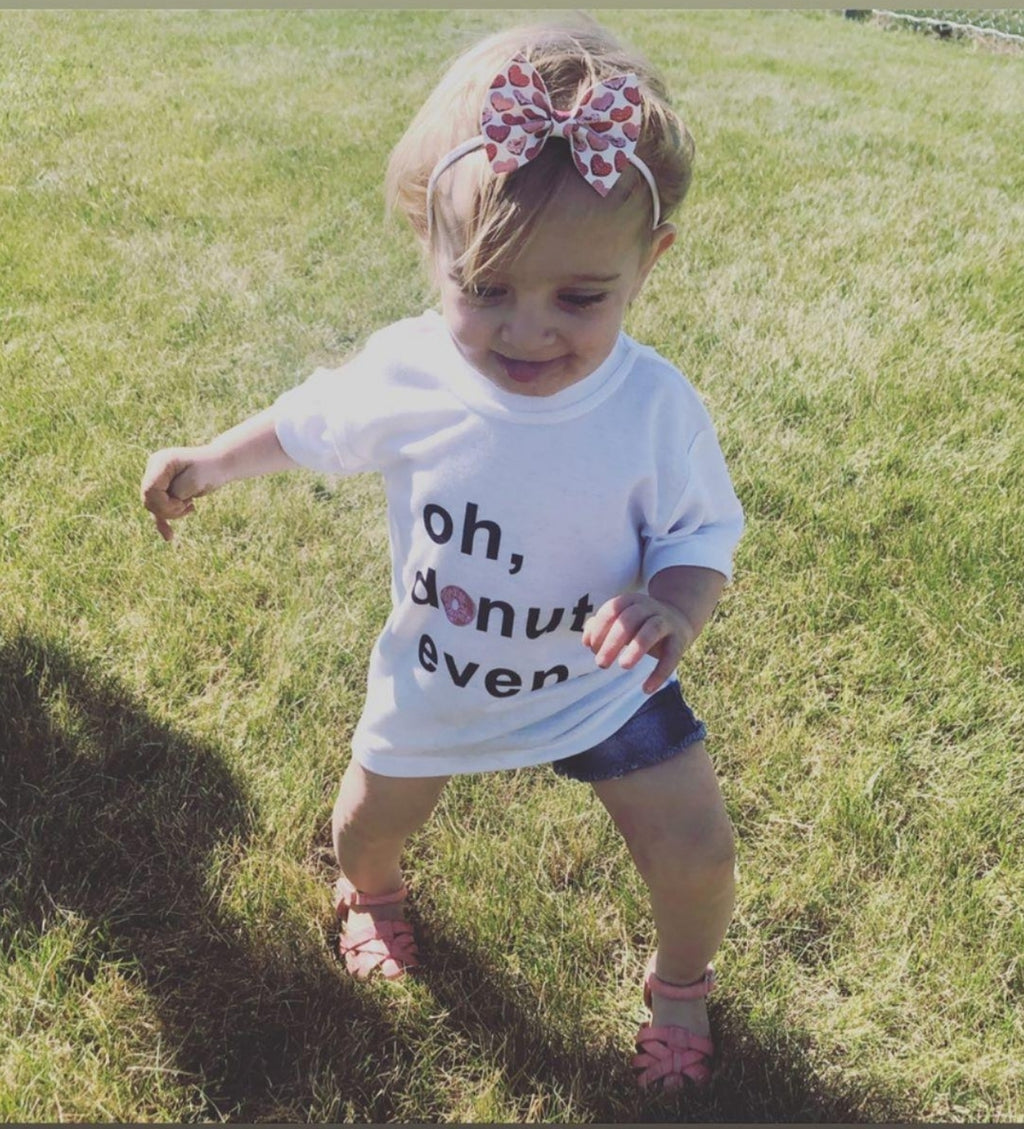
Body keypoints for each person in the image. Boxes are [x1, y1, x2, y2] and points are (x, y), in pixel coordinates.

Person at [141, 16, 744, 1092]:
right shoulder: (409, 374)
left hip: (606, 685)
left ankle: (683, 984)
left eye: (579, 297)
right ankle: (370, 896)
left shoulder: (654, 408)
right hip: (442, 676)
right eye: (485, 288)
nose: (526, 331)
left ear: (647, 263)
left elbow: (701, 533)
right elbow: (306, 423)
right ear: (428, 246)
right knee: (368, 825)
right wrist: (210, 462)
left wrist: (675, 606)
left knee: (696, 848)